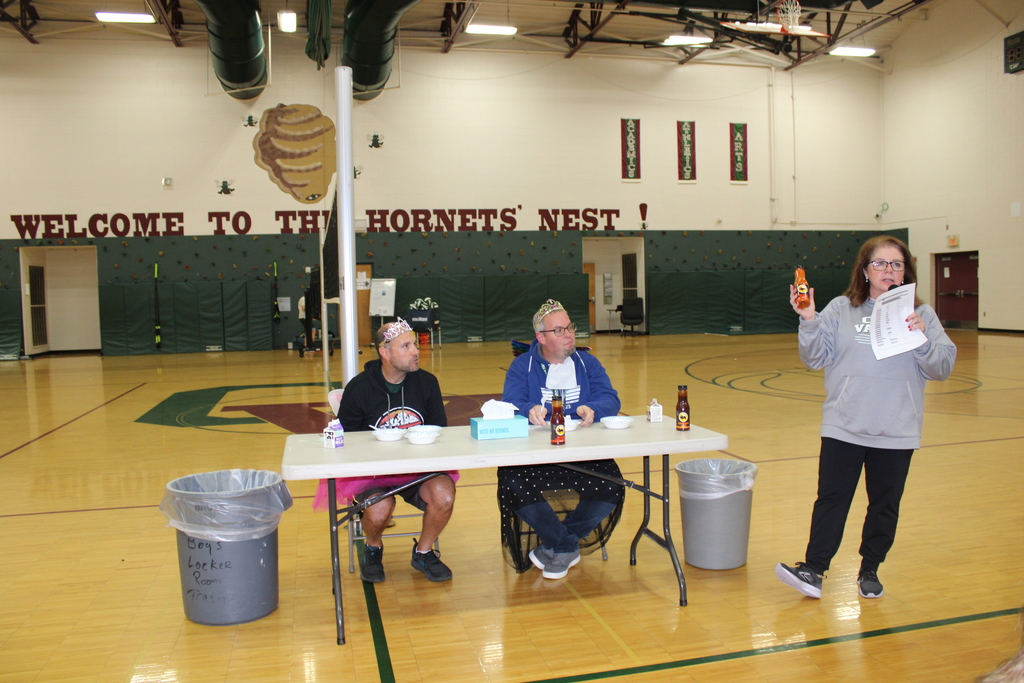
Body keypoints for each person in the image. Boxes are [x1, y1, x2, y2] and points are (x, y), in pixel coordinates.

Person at [776, 236, 956, 600]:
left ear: (906, 271)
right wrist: (809, 318)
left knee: (884, 505)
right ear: (865, 269)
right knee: (831, 499)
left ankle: (870, 568)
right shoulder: (841, 309)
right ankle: (813, 569)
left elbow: (943, 367)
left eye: (897, 264)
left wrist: (921, 338)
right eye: (880, 263)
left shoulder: (923, 315)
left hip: (896, 429)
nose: (889, 270)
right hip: (844, 424)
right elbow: (813, 358)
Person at [313, 318, 457, 583]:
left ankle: (424, 552)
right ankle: (373, 546)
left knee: (444, 494)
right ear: (385, 352)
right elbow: (348, 443)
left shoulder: (427, 383)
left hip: (418, 469)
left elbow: (440, 431)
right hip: (374, 473)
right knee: (379, 507)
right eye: (406, 346)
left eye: (414, 344)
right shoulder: (359, 389)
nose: (415, 351)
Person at [499, 299, 624, 579]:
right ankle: (566, 545)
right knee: (513, 483)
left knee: (612, 485)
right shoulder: (523, 366)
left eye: (570, 327)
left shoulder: (587, 362)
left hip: (584, 454)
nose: (569, 334)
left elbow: (610, 398)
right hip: (535, 457)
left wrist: (595, 409)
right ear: (541, 337)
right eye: (559, 330)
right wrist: (526, 410)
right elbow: (511, 403)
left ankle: (559, 544)